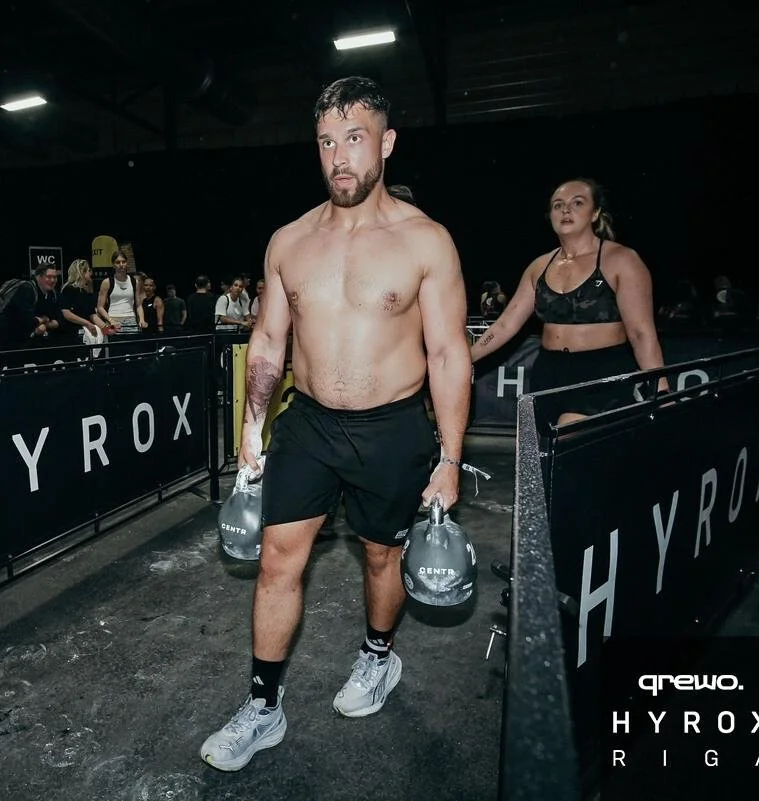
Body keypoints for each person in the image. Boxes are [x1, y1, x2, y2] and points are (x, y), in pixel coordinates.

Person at [199, 76, 471, 772]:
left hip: (393, 428)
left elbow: (447, 353)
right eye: (326, 141)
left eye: (354, 137)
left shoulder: (426, 242)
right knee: (276, 560)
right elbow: (267, 340)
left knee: (382, 557)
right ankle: (263, 706)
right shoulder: (288, 241)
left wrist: (448, 457)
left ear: (386, 142)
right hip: (310, 424)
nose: (339, 155)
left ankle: (378, 656)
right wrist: (253, 428)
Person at [468, 177, 668, 425]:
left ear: (595, 213)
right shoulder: (539, 266)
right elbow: (505, 325)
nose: (566, 210)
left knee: (568, 442)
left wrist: (661, 389)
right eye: (558, 205)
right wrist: (466, 356)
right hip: (548, 373)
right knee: (538, 457)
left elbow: (641, 333)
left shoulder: (621, 260)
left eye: (577, 203)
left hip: (601, 373)